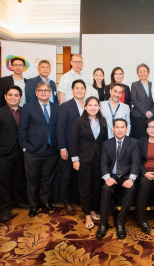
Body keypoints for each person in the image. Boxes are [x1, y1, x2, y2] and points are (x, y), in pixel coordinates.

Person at [19, 81, 60, 217]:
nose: (44, 92)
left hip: (51, 150)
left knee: (47, 179)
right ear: (36, 93)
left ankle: (45, 201)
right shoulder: (28, 107)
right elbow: (22, 128)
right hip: (33, 150)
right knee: (32, 180)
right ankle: (33, 205)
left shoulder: (56, 107)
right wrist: (24, 147)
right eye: (41, 90)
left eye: (46, 90)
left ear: (50, 93)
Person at [96, 119, 140, 240]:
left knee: (131, 190)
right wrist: (107, 177)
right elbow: (103, 164)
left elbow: (135, 162)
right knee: (105, 189)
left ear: (127, 129)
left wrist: (131, 179)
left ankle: (120, 223)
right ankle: (103, 224)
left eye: (122, 127)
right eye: (117, 127)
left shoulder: (134, 142)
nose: (120, 130)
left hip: (126, 176)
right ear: (113, 129)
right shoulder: (106, 144)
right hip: (112, 176)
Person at [69, 96, 108, 229]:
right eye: (90, 105)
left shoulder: (103, 121)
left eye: (95, 105)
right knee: (85, 188)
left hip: (98, 159)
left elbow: (105, 141)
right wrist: (75, 159)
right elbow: (73, 141)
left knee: (96, 187)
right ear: (85, 107)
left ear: (99, 107)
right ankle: (86, 215)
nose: (93, 107)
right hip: (83, 159)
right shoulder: (79, 121)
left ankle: (92, 210)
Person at [0, 85, 27, 222]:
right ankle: (5, 208)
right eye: (10, 95)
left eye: (16, 95)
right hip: (3, 154)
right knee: (4, 182)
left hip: (20, 153)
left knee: (18, 179)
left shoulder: (24, 112)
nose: (13, 98)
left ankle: (17, 201)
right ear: (5, 97)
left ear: (21, 98)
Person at [56, 79, 86, 216]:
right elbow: (60, 129)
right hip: (69, 147)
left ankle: (80, 200)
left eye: (82, 88)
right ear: (72, 91)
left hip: (85, 148)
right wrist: (62, 148)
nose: (79, 90)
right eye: (77, 88)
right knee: (67, 176)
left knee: (81, 176)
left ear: (85, 91)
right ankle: (67, 202)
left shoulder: (88, 105)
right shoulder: (65, 106)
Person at [130, 63, 154, 140]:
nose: (142, 73)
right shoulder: (134, 85)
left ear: (148, 73)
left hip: (151, 117)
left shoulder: (153, 85)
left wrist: (151, 112)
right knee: (139, 139)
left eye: (144, 71)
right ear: (137, 74)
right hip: (138, 117)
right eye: (140, 71)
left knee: (150, 139)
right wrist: (145, 112)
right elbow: (134, 99)